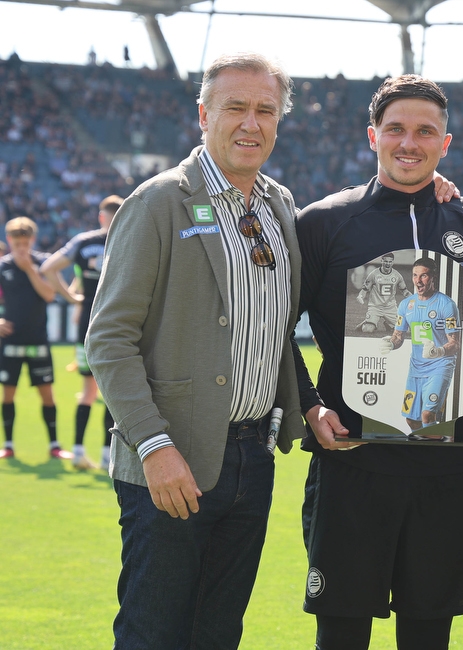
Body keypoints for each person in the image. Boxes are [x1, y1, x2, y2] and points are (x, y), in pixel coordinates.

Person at [86, 52, 327, 649]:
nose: (251, 122)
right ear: (203, 114)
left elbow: (275, 330)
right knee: (154, 632)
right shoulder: (158, 202)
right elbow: (109, 338)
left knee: (218, 634)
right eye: (236, 108)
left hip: (253, 456)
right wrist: (152, 443)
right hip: (172, 459)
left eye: (265, 110)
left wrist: (309, 406)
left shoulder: (279, 207)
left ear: (278, 120)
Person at [295, 74, 463, 650]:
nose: (409, 143)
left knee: (429, 636)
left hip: (445, 465)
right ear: (372, 136)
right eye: (396, 130)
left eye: (424, 132)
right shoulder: (325, 222)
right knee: (341, 633)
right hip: (351, 464)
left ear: (445, 142)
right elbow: (271, 332)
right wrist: (309, 407)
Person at [40, 194, 123, 470]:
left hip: (85, 326)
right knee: (113, 392)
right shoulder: (127, 240)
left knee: (87, 391)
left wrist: (71, 297)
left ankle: (76, 451)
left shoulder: (83, 242)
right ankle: (106, 455)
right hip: (118, 326)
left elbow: (48, 267)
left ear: (101, 216)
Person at [0, 217, 62, 460]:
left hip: (38, 340)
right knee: (8, 394)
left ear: (33, 240)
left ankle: (54, 445)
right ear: (9, 240)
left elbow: (49, 295)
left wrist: (29, 268)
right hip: (11, 342)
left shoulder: (44, 263)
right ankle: (8, 445)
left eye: (25, 243)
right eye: (16, 243)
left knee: (46, 393)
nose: (21, 248)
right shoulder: (3, 266)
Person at [379, 256, 460, 437]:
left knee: (427, 415)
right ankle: (428, 449)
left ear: (433, 277)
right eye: (415, 275)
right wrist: (390, 344)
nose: (417, 280)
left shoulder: (446, 305)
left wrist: (438, 351)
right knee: (411, 420)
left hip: (440, 365)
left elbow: (455, 343)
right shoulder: (406, 305)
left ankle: (435, 456)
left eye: (423, 276)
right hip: (416, 368)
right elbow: (398, 336)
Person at [357, 252, 409, 333]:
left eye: (390, 261)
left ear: (393, 262)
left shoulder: (397, 275)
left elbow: (404, 291)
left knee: (406, 330)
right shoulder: (373, 274)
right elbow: (364, 290)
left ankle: (389, 325)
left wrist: (414, 298)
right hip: (375, 307)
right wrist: (360, 296)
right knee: (367, 330)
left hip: (391, 308)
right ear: (381, 261)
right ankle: (365, 323)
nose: (388, 264)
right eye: (385, 261)